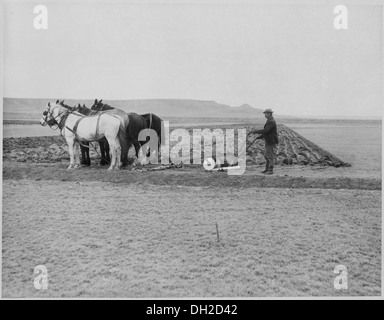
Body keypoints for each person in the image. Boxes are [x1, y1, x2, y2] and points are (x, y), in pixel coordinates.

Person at [253, 108, 279, 174]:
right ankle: (267, 169)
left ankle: (270, 170)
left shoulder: (271, 121)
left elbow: (266, 130)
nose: (265, 115)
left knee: (270, 156)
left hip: (271, 141)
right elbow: (267, 132)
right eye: (264, 113)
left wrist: (256, 131)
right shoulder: (269, 120)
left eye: (266, 113)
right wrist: (260, 137)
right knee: (267, 156)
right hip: (269, 141)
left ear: (269, 114)